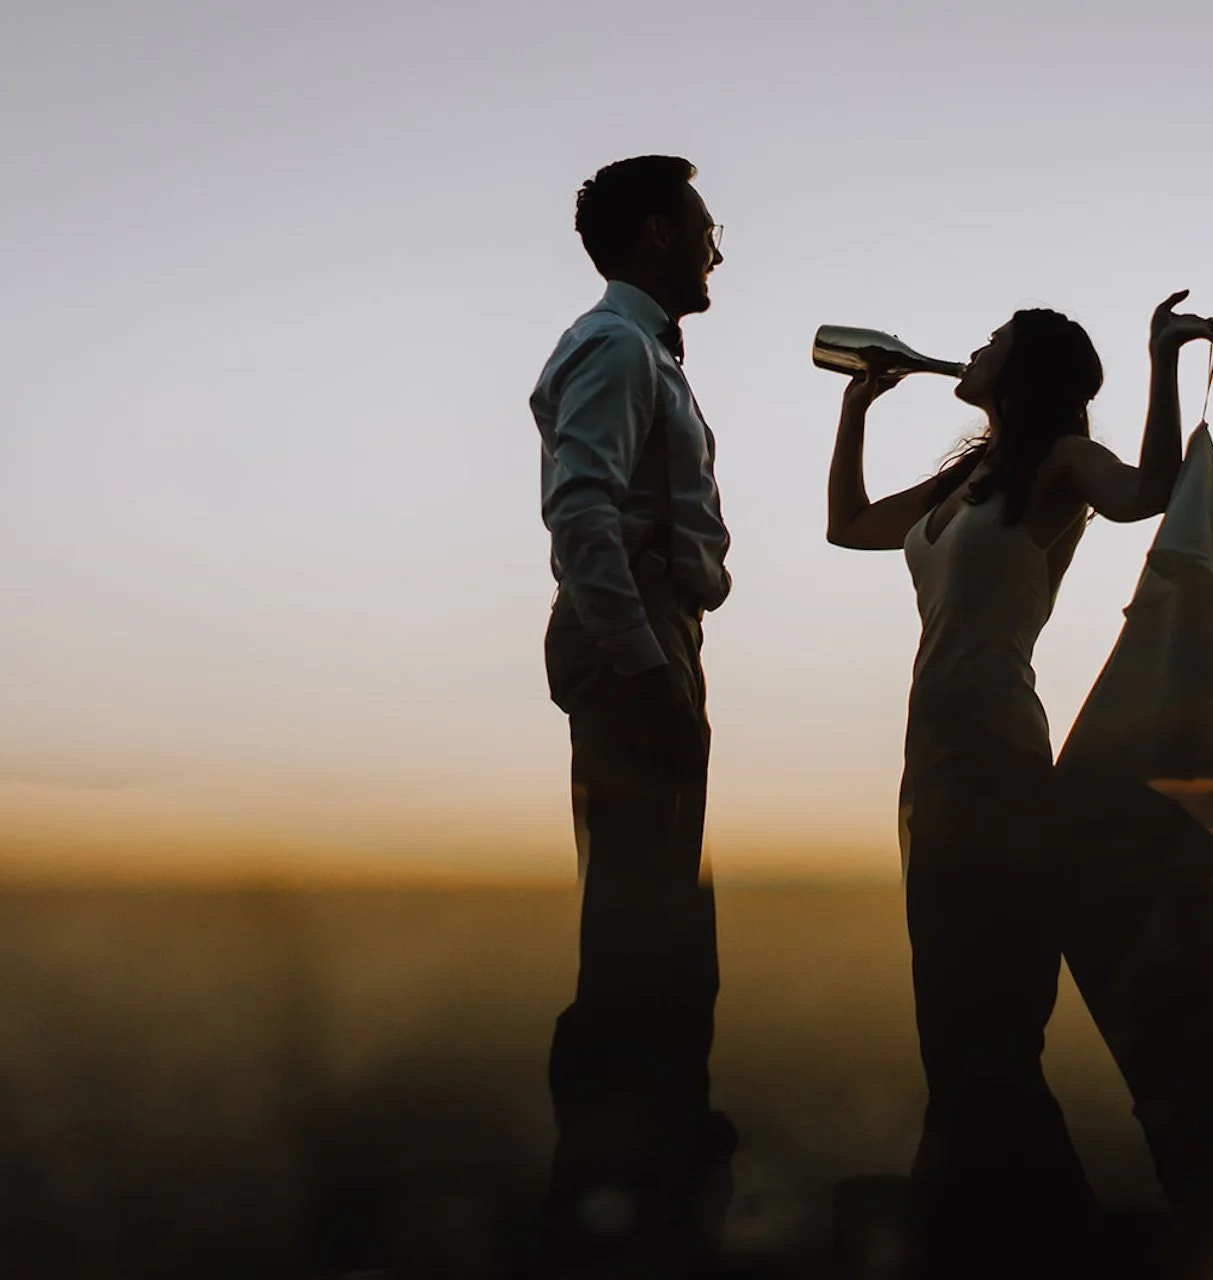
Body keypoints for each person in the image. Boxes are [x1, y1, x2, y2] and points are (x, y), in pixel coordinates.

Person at [825, 293, 1213, 1276]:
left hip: (1000, 760)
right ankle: (1016, 1232)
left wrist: (1162, 360)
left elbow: (1152, 492)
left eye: (993, 340)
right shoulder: (973, 475)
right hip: (931, 765)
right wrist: (857, 407)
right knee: (954, 1032)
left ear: (1025, 372)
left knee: (990, 1036)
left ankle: (1010, 1237)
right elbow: (847, 527)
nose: (971, 348)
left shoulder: (1058, 464)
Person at [528, 154, 734, 1275]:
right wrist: (649, 665)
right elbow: (580, 509)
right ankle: (622, 1195)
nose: (717, 245)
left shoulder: (634, 348)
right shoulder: (616, 347)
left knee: (656, 918)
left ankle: (639, 1172)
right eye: (704, 224)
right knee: (640, 927)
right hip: (642, 643)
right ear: (659, 231)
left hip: (657, 635)